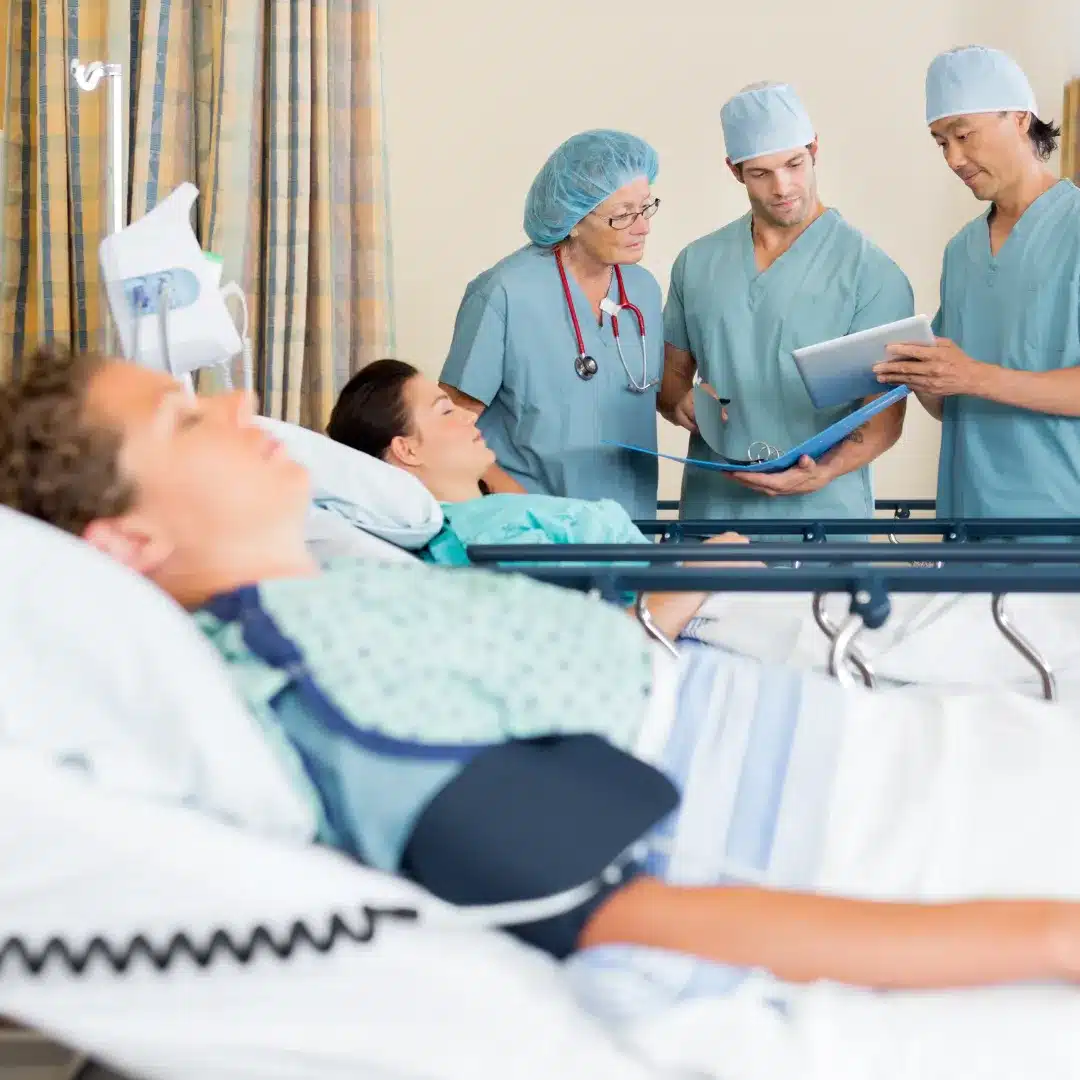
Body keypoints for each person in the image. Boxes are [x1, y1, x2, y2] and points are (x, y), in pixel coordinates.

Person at [5, 342, 1080, 995]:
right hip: (867, 814)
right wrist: (1045, 935)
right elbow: (636, 911)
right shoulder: (318, 678)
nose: (242, 407)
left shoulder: (350, 609)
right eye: (184, 418)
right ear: (127, 541)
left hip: (858, 741)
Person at [327, 357, 749, 638]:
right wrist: (704, 568)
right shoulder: (480, 536)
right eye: (445, 411)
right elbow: (603, 647)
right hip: (698, 616)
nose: (470, 414)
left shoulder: (486, 514)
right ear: (407, 449)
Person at [659, 82, 914, 521]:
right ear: (734, 170)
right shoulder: (697, 263)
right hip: (713, 516)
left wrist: (822, 472)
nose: (782, 186)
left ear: (814, 149)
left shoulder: (871, 273)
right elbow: (671, 378)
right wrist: (682, 401)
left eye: (794, 164)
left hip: (822, 519)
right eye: (760, 173)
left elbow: (883, 420)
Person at [875, 45, 1080, 519]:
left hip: (1061, 525)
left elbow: (976, 378)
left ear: (1020, 118)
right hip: (967, 519)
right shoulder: (962, 250)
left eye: (964, 135)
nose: (954, 158)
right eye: (941, 142)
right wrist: (915, 373)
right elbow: (954, 406)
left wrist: (973, 376)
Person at [438, 130, 665, 520]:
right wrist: (508, 493)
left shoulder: (642, 290)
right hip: (531, 526)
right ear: (572, 219)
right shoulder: (504, 293)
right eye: (623, 214)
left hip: (626, 528)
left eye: (645, 208)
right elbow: (449, 424)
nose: (642, 227)